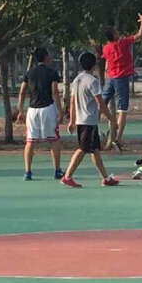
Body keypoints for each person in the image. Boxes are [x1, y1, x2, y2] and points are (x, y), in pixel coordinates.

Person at [61, 52, 120, 188]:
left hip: (83, 120)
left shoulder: (77, 79)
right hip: (88, 121)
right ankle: (67, 177)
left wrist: (72, 120)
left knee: (95, 150)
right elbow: (101, 103)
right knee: (82, 149)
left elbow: (72, 101)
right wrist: (112, 119)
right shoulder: (92, 81)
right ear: (94, 65)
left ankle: (106, 178)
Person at [100, 13, 142, 153]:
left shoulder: (106, 48)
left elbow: (106, 63)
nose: (118, 33)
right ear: (114, 35)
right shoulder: (122, 43)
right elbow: (141, 34)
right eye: (116, 32)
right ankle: (118, 138)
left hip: (110, 78)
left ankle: (91, 127)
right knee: (123, 110)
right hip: (121, 78)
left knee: (101, 103)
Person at [17, 48, 65, 181]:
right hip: (47, 109)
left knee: (30, 141)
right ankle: (56, 170)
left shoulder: (29, 73)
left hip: (32, 110)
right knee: (54, 140)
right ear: (46, 57)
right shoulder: (52, 73)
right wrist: (60, 111)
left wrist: (20, 110)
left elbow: (22, 92)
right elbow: (54, 91)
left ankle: (27, 171)